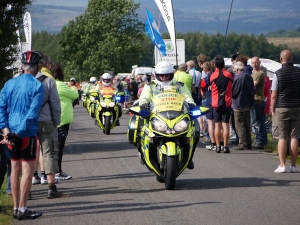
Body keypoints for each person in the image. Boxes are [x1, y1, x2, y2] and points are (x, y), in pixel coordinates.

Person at [0, 51, 44, 220]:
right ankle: (22, 208)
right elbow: (32, 113)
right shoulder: (37, 85)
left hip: (10, 133)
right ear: (37, 67)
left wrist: (6, 131)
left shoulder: (9, 83)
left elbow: (1, 108)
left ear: (22, 66)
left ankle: (15, 208)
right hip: (27, 134)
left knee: (14, 169)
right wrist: (18, 132)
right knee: (27, 171)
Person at [139, 61, 196, 169]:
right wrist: (144, 104)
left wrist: (191, 103)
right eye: (161, 75)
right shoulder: (150, 86)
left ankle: (189, 157)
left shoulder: (179, 85)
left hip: (177, 116)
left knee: (194, 129)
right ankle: (141, 151)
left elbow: (187, 96)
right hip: (156, 116)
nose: (164, 77)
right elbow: (144, 97)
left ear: (171, 74)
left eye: (167, 75)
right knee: (139, 126)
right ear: (157, 75)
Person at [35, 52, 62, 198]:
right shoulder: (48, 81)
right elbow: (55, 105)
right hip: (46, 121)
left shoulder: (17, 80)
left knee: (28, 154)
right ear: (41, 65)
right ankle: (51, 187)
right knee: (48, 153)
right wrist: (56, 121)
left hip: (27, 123)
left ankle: (27, 188)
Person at [271, 50, 300, 173]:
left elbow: (274, 95)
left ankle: (282, 165)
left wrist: (272, 109)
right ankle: (293, 165)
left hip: (282, 107)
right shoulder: (299, 72)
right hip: (297, 107)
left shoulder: (278, 74)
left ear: (281, 59)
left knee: (282, 136)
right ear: (292, 58)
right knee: (294, 136)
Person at [51, 63, 78, 180]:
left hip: (57, 118)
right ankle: (57, 172)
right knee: (59, 147)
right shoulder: (60, 85)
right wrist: (73, 87)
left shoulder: (52, 84)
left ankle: (53, 172)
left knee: (54, 148)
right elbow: (75, 94)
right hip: (61, 120)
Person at [210, 55, 233, 153]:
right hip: (226, 102)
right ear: (223, 64)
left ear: (214, 64)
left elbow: (212, 86)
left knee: (217, 126)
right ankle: (226, 146)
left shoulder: (212, 76)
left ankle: (218, 146)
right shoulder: (229, 74)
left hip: (216, 103)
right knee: (225, 126)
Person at [231, 62, 254, 150]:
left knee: (239, 124)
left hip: (239, 103)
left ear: (237, 69)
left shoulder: (238, 78)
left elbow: (235, 92)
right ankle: (248, 142)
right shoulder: (249, 76)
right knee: (247, 123)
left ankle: (242, 143)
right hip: (248, 102)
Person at [250, 56, 266, 149]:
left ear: (259, 63)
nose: (254, 64)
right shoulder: (253, 74)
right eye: (253, 63)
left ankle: (259, 141)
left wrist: (251, 85)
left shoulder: (260, 73)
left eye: (256, 62)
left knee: (257, 122)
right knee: (258, 122)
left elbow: (253, 85)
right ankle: (261, 140)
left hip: (258, 100)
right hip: (254, 100)